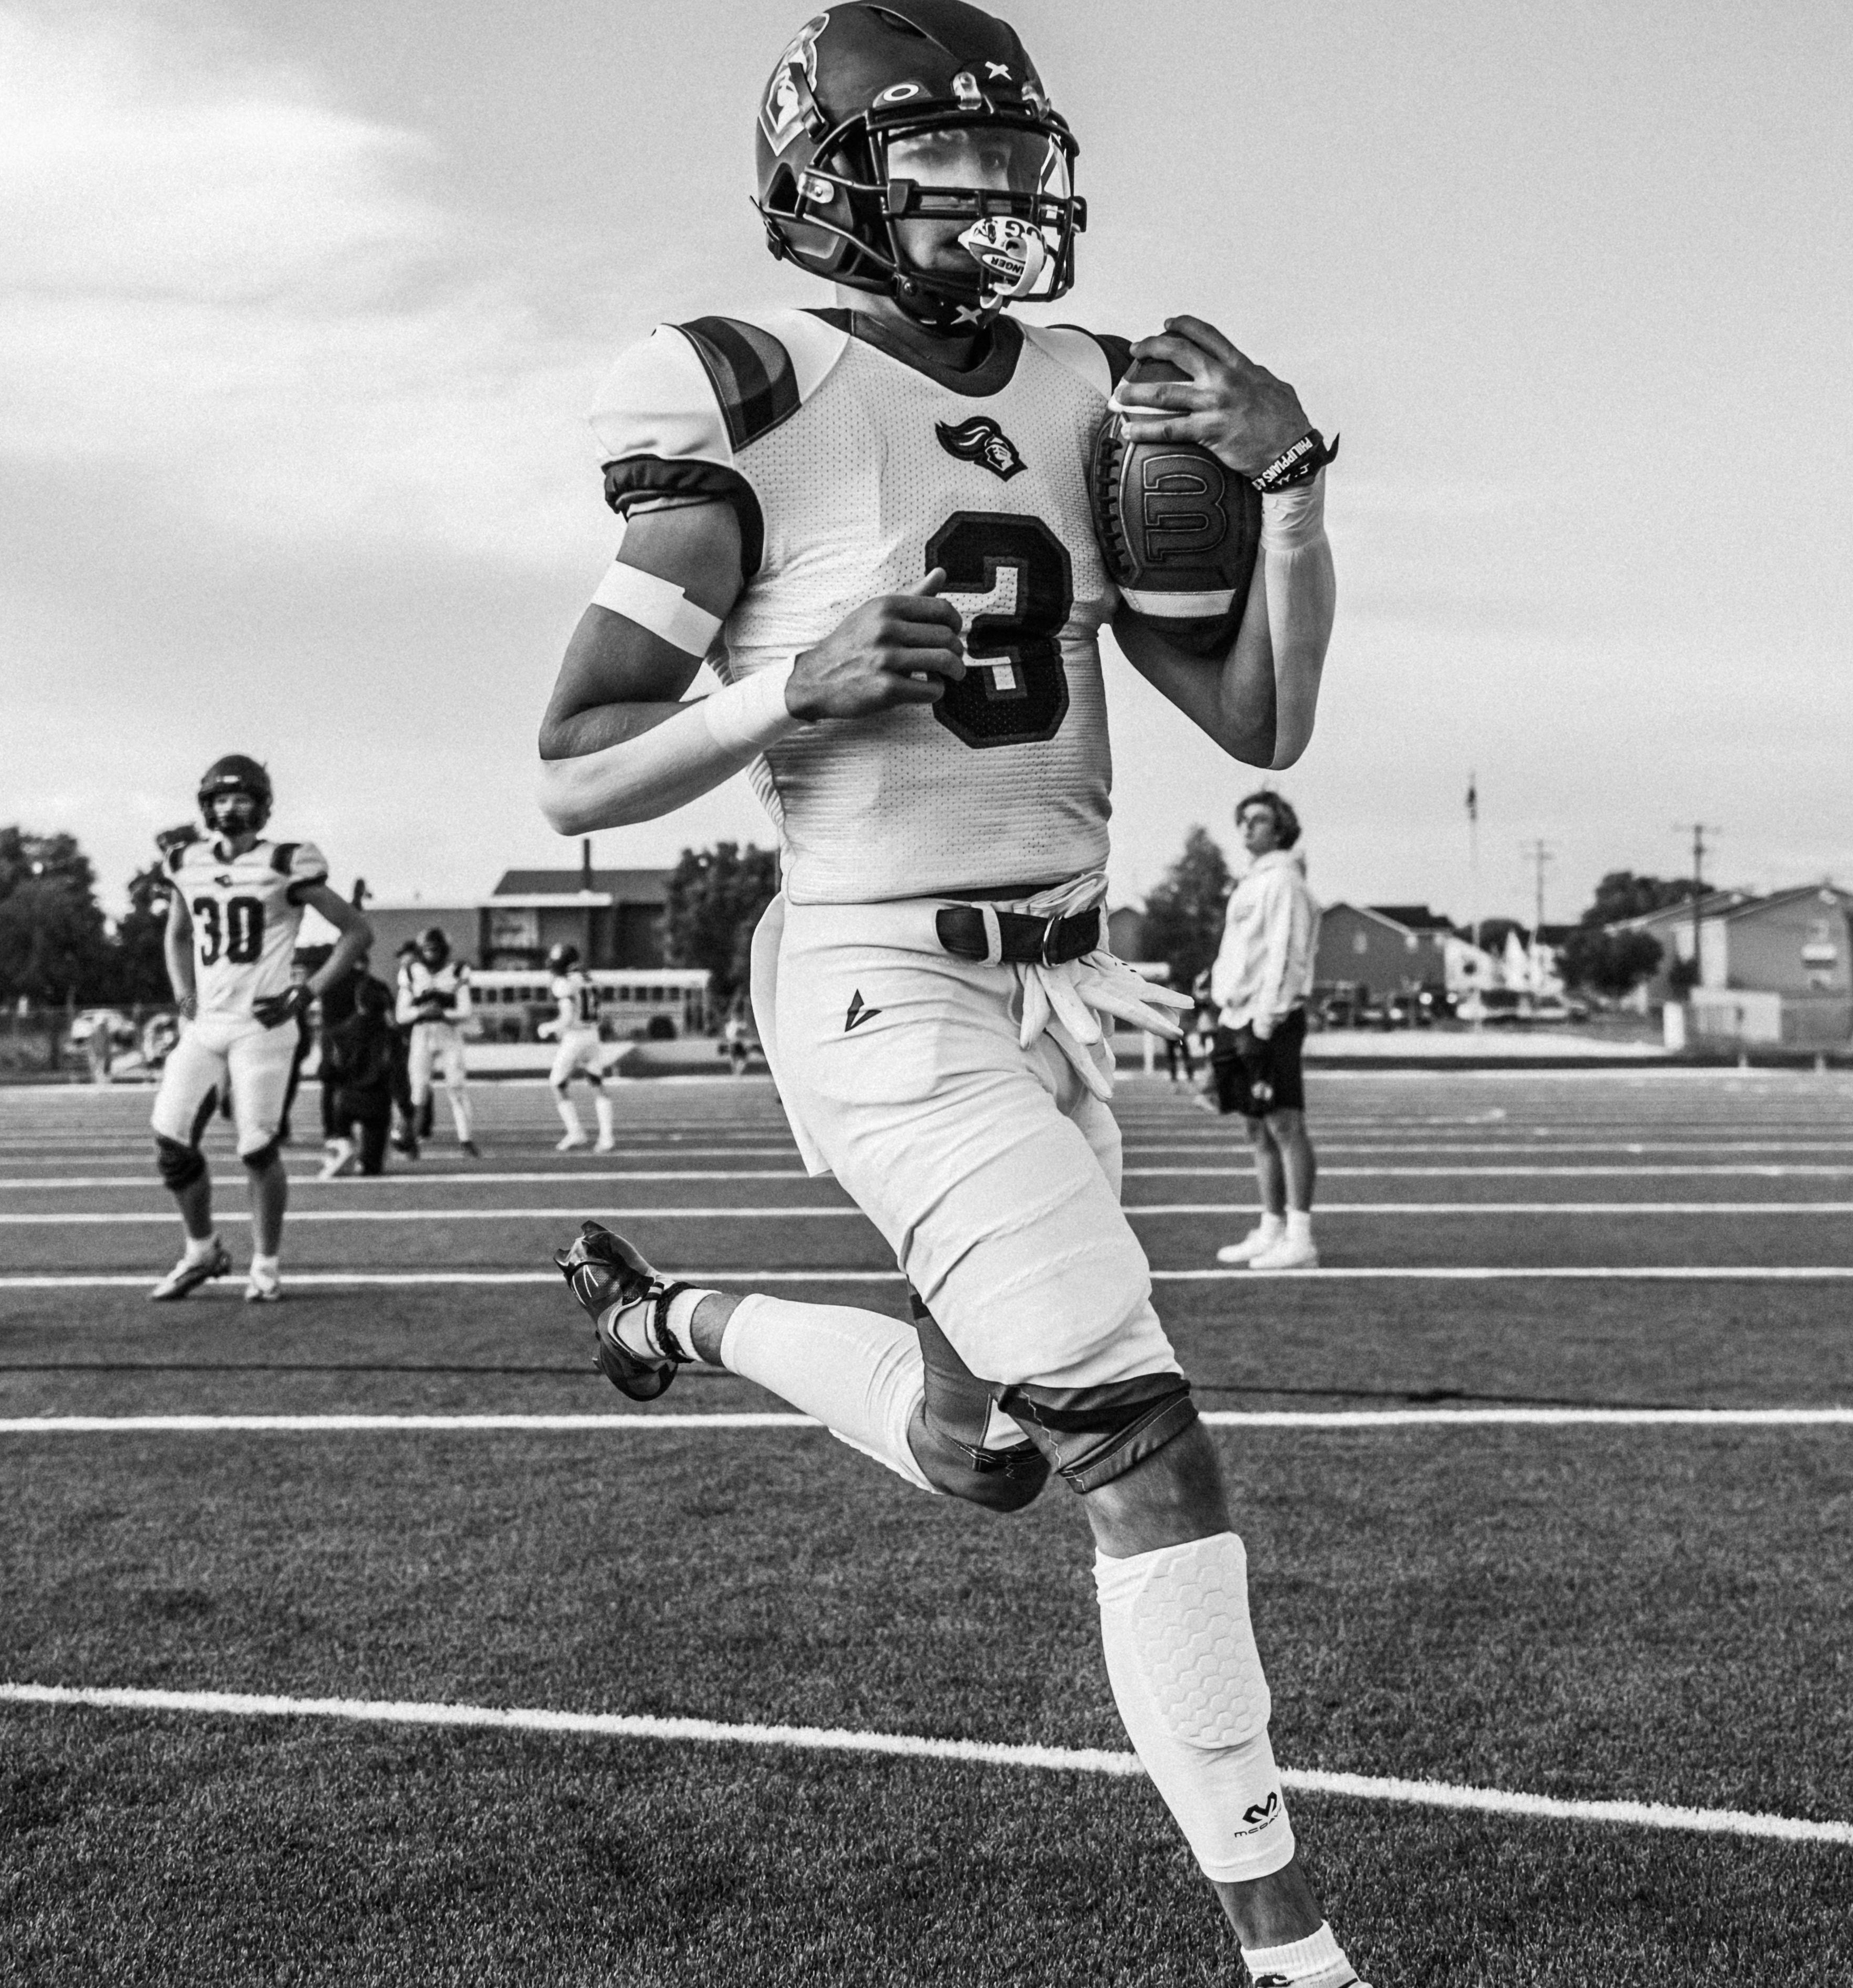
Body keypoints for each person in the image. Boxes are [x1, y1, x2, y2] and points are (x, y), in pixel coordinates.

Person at [526, 6, 1357, 1982]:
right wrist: (781, 689)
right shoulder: (747, 389)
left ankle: (672, 1312)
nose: (995, 198)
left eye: (1010, 158)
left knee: (987, 1449)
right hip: (875, 978)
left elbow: (1262, 714)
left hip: (1051, 994)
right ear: (827, 174)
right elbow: (569, 759)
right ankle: (1294, 1954)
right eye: (947, 159)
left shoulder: (1087, 385)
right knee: (1136, 1437)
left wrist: (1296, 487)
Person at [146, 756, 370, 1303]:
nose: (229, 807)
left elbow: (356, 931)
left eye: (241, 797)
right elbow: (177, 935)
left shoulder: (285, 861)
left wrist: (306, 991)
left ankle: (265, 1265)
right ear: (205, 807)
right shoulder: (186, 861)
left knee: (256, 1147)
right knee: (171, 1143)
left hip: (263, 1024)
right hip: (206, 1024)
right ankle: (202, 1251)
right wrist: (184, 997)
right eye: (220, 799)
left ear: (262, 804)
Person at [1208, 791, 1322, 1271]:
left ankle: (1300, 1237)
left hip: (1267, 1017)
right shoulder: (1251, 882)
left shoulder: (1285, 881)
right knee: (1256, 1126)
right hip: (1236, 1015)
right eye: (1244, 821)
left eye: (1259, 821)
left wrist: (1267, 1018)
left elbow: (1287, 954)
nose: (1248, 829)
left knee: (1284, 1123)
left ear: (1280, 829)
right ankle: (1271, 1227)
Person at [396, 926, 480, 1159]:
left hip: (448, 1034)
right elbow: (401, 1014)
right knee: (419, 1090)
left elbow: (466, 1011)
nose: (432, 954)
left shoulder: (457, 971)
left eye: (436, 949)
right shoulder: (411, 972)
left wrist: (442, 1014)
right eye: (428, 950)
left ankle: (466, 1140)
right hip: (422, 1034)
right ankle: (412, 1141)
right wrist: (422, 1011)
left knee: (457, 1087)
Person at [317, 967, 405, 1179]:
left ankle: (340, 1145)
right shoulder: (392, 1036)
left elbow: (327, 1073)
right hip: (378, 1103)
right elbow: (398, 1076)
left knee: (339, 1129)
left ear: (358, 1001)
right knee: (373, 1168)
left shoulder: (338, 1033)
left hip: (346, 1100)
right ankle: (363, 1160)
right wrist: (406, 1110)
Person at [541, 943, 616, 1152]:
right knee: (597, 1083)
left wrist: (548, 1027)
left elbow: (566, 1019)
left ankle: (576, 1132)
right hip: (593, 1034)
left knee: (557, 1083)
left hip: (575, 1037)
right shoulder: (591, 980)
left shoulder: (564, 984)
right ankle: (607, 1138)